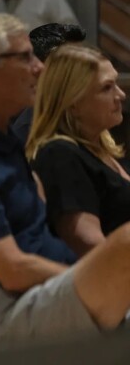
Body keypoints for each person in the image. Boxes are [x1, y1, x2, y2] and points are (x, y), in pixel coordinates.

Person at [0, 14, 130, 352]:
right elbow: (12, 270)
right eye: (25, 58)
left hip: (45, 296)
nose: (41, 68)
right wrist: (92, 275)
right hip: (9, 314)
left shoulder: (3, 143)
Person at [27, 45, 128, 257]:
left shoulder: (98, 147)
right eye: (106, 88)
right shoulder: (59, 154)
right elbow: (87, 242)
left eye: (116, 84)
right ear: (73, 103)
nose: (121, 95)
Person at [10, 22, 87, 144]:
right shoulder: (29, 132)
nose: (84, 71)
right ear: (41, 69)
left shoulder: (86, 115)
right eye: (72, 64)